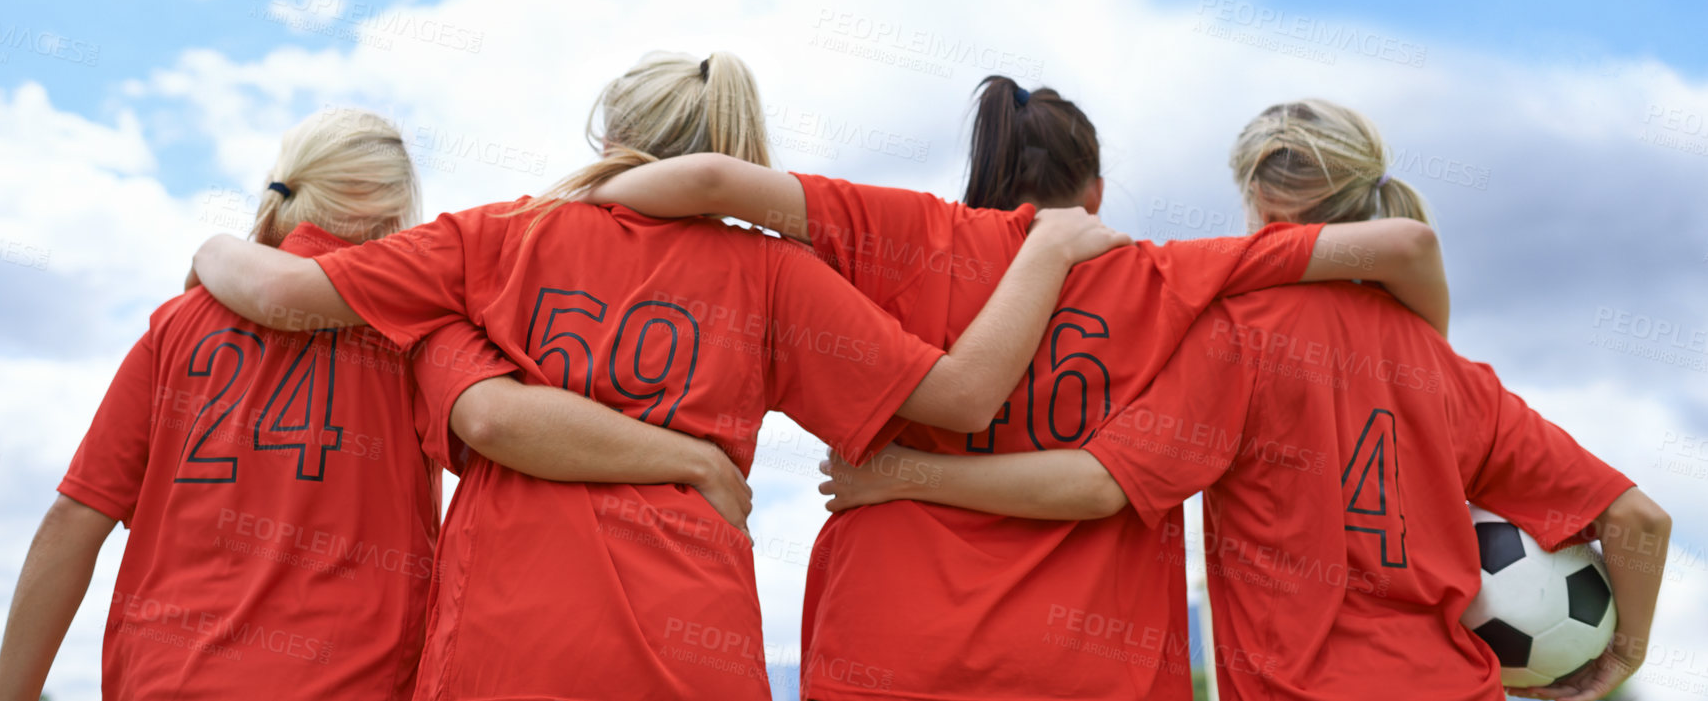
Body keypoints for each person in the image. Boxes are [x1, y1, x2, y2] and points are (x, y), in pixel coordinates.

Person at [186, 53, 1129, 701]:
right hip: (692, 641)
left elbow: (284, 293)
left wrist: (213, 242)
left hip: (507, 644)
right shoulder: (770, 273)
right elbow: (965, 395)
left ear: (611, 134)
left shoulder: (499, 234)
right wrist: (1044, 248)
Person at [585, 76, 1448, 701]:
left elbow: (704, 181)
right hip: (1093, 666)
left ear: (980, 172)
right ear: (1096, 192)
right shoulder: (1169, 274)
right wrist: (1425, 374)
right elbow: (1406, 247)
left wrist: (580, 201)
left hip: (887, 647)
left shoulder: (892, 228)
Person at [823, 99, 1670, 701]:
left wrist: (906, 473)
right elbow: (1638, 519)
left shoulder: (1238, 334)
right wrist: (1620, 651)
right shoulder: (1447, 369)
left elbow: (1097, 485)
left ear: (1260, 204)